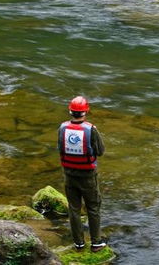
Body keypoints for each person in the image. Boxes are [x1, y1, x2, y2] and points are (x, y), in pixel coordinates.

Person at [57, 96, 107, 252]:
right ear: (86, 111)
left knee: (74, 209)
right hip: (88, 176)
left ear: (70, 110)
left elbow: (60, 148)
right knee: (93, 208)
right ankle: (96, 243)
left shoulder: (63, 128)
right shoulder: (91, 129)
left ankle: (78, 243)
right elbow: (100, 151)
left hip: (69, 175)